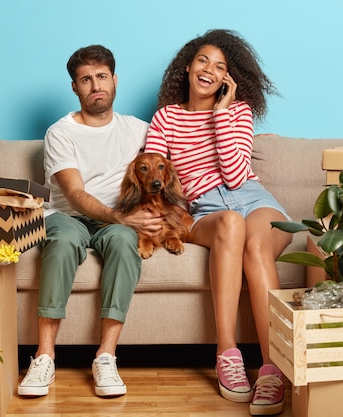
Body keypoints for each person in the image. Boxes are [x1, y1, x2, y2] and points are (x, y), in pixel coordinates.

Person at [145, 29, 292, 416]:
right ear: (188, 67)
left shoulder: (237, 112)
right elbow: (153, 176)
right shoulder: (166, 118)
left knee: (256, 245)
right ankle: (227, 353)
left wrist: (222, 113)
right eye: (203, 61)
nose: (209, 69)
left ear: (228, 79)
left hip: (254, 199)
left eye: (220, 66)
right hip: (207, 210)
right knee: (229, 224)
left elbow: (233, 174)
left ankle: (272, 366)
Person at [17, 45, 161, 398]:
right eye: (85, 79)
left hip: (116, 223)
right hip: (67, 217)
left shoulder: (139, 130)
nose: (95, 85)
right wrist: (122, 216)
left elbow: (174, 166)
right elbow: (76, 193)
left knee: (127, 242)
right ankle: (44, 357)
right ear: (74, 88)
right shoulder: (61, 132)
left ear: (114, 80)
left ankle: (106, 357)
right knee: (63, 242)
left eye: (101, 77)